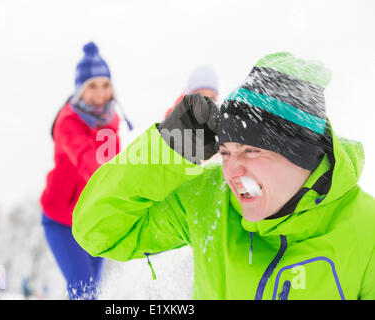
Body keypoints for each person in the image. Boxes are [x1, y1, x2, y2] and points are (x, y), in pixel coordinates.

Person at [71, 52, 375, 300]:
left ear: (302, 156)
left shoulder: (365, 230)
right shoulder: (210, 199)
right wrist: (168, 148)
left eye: (251, 151)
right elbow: (98, 231)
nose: (231, 171)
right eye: (226, 152)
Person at [40, 41, 121, 300]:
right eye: (92, 86)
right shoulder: (68, 122)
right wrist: (114, 183)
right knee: (83, 289)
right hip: (62, 221)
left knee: (91, 292)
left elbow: (116, 164)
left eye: (105, 85)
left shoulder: (113, 121)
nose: (100, 93)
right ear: (80, 89)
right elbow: (88, 160)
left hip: (93, 221)